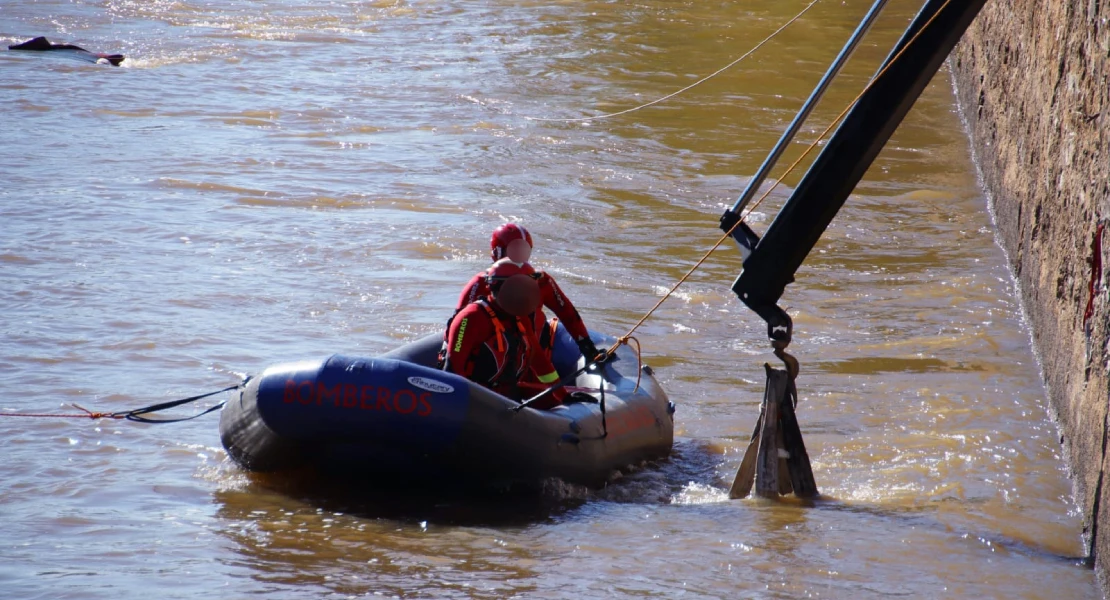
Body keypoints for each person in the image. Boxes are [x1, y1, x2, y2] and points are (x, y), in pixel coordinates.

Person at [454, 223, 603, 364]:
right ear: (497, 253)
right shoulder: (479, 284)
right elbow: (458, 328)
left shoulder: (542, 281)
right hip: (491, 362)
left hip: (531, 357)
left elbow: (567, 313)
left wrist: (587, 347)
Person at [441, 259, 567, 410]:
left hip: (508, 396)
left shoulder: (520, 317)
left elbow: (538, 360)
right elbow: (452, 369)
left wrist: (563, 395)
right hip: (477, 398)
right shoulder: (471, 318)